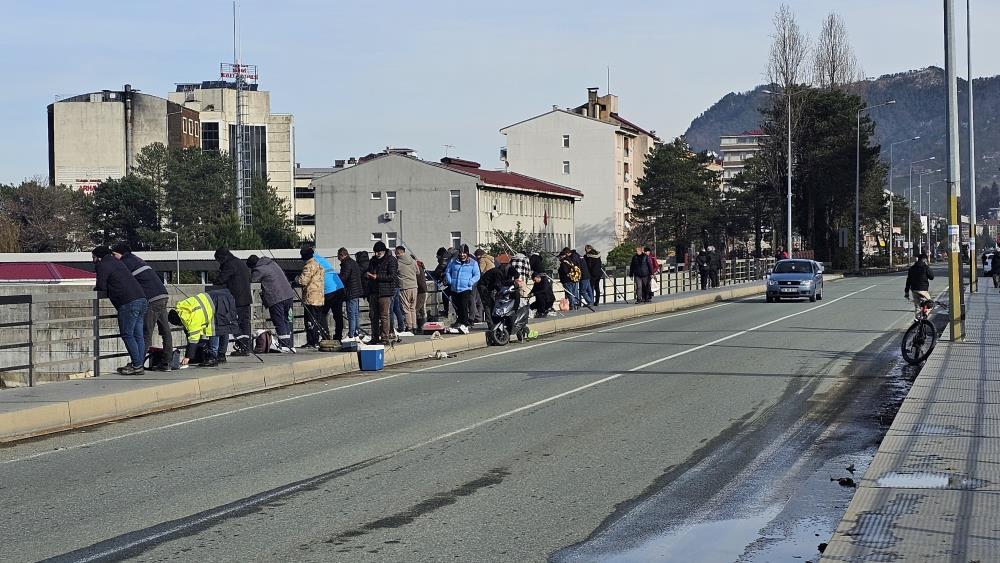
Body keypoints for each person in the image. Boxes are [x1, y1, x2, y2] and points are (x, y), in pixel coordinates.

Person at [111, 243, 172, 371]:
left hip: (151, 299)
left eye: (114, 254)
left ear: (120, 253)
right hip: (162, 295)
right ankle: (167, 363)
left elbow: (121, 280)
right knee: (165, 331)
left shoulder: (125, 262)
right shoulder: (138, 260)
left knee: (145, 333)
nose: (113, 257)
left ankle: (137, 364)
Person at [94, 246, 148, 375]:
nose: (93, 260)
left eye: (93, 257)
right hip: (142, 299)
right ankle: (139, 364)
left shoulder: (103, 265)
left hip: (128, 302)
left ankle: (136, 365)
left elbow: (101, 286)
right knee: (138, 335)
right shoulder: (118, 263)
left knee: (127, 334)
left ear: (99, 257)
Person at [248, 254, 297, 352]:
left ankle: (284, 345)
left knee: (279, 321)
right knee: (287, 320)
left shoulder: (259, 269)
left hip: (276, 297)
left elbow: (252, 279)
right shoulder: (272, 263)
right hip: (288, 295)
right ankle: (290, 344)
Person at [214, 248, 253, 355]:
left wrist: (217, 275)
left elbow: (221, 279)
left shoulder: (230, 264)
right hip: (246, 298)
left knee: (235, 324)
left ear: (222, 258)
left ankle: (243, 346)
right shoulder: (239, 262)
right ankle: (246, 347)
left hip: (237, 300)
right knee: (245, 324)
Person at [297, 247, 330, 348]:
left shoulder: (309, 266)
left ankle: (312, 341)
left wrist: (296, 279)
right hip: (319, 297)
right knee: (318, 319)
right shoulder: (318, 265)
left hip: (311, 298)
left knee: (310, 320)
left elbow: (302, 281)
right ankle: (319, 339)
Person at [444, 244, 481, 333]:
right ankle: (459, 321)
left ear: (467, 253)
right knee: (456, 306)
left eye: (464, 253)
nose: (462, 254)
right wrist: (450, 281)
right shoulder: (453, 261)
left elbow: (477, 275)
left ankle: (465, 324)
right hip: (454, 287)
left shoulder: (473, 263)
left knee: (463, 306)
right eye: (460, 253)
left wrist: (470, 282)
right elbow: (448, 271)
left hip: (465, 288)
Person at [367, 241, 399, 344]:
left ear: (384, 251)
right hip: (373, 291)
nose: (377, 254)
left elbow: (392, 276)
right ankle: (375, 337)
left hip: (385, 292)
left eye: (379, 252)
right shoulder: (372, 261)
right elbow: (368, 271)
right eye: (375, 252)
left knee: (384, 316)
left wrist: (377, 277)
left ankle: (385, 337)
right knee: (373, 316)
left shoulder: (391, 260)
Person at [312, 248, 346, 341]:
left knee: (322, 314)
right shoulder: (323, 259)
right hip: (339, 288)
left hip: (329, 291)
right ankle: (338, 336)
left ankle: (325, 336)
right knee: (338, 315)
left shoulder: (313, 261)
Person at [338, 248, 364, 340]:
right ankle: (356, 332)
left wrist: (337, 277)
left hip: (351, 291)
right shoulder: (353, 262)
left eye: (338, 256)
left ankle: (351, 334)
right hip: (357, 291)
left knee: (351, 314)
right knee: (356, 313)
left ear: (342, 255)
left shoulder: (346, 264)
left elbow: (344, 277)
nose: (338, 258)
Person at [395, 246, 418, 335]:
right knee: (413, 308)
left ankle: (409, 327)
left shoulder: (398, 262)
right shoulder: (413, 260)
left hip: (404, 287)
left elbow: (395, 272)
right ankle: (415, 326)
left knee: (406, 308)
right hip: (414, 286)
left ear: (398, 253)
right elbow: (418, 272)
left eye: (396, 253)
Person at [355, 251, 376, 341]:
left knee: (356, 312)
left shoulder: (359, 266)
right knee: (374, 311)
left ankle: (356, 332)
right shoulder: (371, 263)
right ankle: (375, 332)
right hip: (372, 290)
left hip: (363, 290)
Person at [415, 257, 428, 328]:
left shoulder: (416, 267)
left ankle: (421, 326)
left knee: (417, 309)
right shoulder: (420, 266)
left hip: (421, 291)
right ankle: (423, 326)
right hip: (424, 290)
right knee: (422, 309)